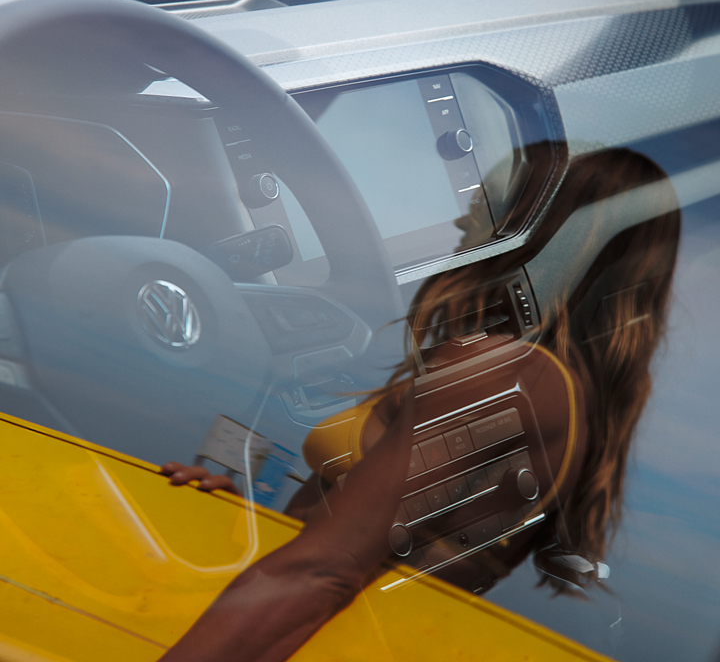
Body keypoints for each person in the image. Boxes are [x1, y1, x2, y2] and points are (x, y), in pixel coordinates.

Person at [160, 146, 681, 658]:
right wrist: (249, 528)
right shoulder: (557, 396)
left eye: (489, 202)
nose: (462, 218)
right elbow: (372, 551)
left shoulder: (504, 373)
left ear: (542, 230)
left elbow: (325, 570)